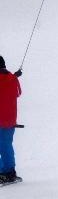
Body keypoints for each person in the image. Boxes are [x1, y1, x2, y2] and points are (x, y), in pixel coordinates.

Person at [0, 56, 22, 184]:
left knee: (3, 145)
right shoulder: (11, 79)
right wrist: (15, 76)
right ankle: (8, 171)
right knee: (6, 145)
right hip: (10, 120)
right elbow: (15, 92)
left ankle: (7, 172)